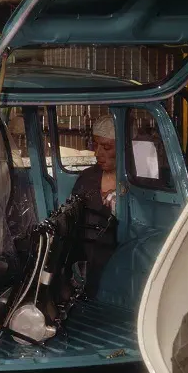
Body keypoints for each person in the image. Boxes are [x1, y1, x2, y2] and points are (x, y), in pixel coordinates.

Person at [71, 114, 118, 295]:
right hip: (88, 266)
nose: (98, 153)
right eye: (96, 145)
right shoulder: (87, 179)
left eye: (107, 147)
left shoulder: (137, 184)